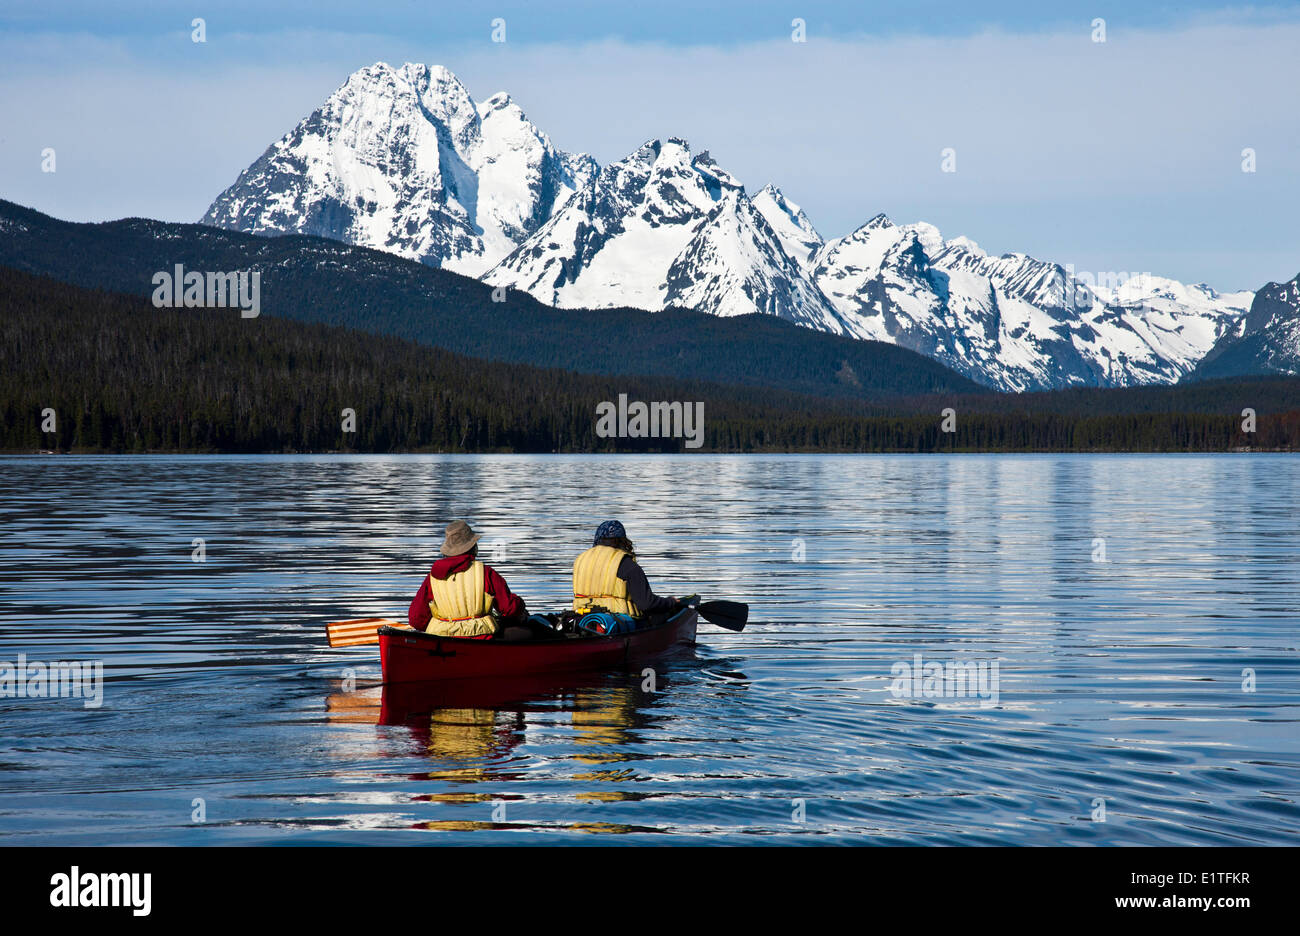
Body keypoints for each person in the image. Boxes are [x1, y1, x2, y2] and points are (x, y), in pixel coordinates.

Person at [409, 520, 547, 641]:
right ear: (472, 547)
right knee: (532, 632)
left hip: (441, 638)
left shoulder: (432, 578)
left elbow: (416, 619)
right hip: (483, 637)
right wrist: (520, 605)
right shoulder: (485, 572)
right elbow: (510, 609)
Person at [572, 520, 677, 619]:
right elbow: (646, 604)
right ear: (621, 541)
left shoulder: (580, 560)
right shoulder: (627, 564)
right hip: (617, 622)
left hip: (580, 617)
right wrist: (670, 602)